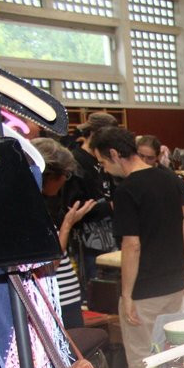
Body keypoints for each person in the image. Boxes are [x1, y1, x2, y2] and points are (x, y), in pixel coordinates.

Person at [89, 127, 184, 368]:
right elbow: (182, 227)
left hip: (145, 289)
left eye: (102, 162)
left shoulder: (126, 190)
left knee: (144, 360)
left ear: (114, 154)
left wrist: (126, 295)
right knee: (176, 356)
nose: (104, 168)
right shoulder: (169, 179)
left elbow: (132, 245)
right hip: (174, 283)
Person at [33, 138, 96, 330]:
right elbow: (50, 261)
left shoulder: (38, 203)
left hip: (61, 291)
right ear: (50, 175)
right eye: (65, 175)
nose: (64, 181)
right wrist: (68, 224)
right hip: (55, 294)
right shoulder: (34, 209)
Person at [64, 111, 118, 288]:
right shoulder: (76, 161)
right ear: (94, 134)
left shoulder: (104, 159)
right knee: (96, 289)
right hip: (88, 240)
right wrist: (107, 206)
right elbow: (73, 206)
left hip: (112, 233)